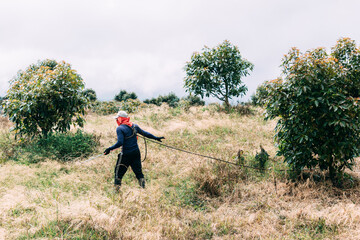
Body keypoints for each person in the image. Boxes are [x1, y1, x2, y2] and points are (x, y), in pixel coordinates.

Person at [104, 110, 164, 190]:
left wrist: (109, 149)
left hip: (125, 154)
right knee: (138, 172)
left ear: (120, 119)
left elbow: (120, 142)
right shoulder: (134, 126)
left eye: (117, 119)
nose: (116, 120)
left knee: (118, 173)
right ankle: (143, 189)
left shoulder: (120, 128)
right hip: (136, 153)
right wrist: (156, 138)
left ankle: (116, 192)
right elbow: (145, 133)